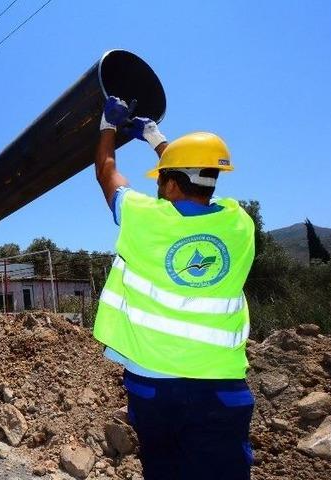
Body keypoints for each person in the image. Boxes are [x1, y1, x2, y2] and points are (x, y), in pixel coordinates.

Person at [92, 96, 256, 479]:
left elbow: (105, 171)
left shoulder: (144, 218)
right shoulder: (239, 224)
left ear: (168, 184)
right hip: (222, 387)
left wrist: (106, 126)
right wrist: (155, 136)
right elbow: (196, 171)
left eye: (163, 180)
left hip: (154, 387)